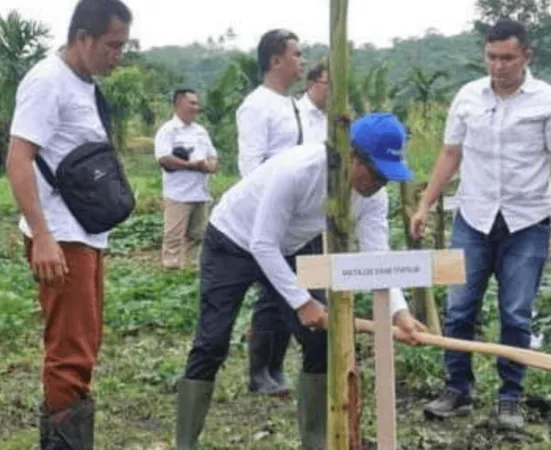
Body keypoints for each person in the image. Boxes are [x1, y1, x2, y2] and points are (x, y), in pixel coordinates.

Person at [175, 112, 428, 450]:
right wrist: (303, 302)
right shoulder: (299, 172)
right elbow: (262, 243)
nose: (379, 183)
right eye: (376, 173)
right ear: (352, 155)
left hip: (292, 245)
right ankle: (185, 443)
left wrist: (399, 313)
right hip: (233, 242)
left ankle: (316, 440)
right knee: (213, 341)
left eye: (387, 177)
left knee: (319, 341)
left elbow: (377, 261)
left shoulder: (373, 197)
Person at [409, 19, 551, 431]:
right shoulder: (468, 97)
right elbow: (451, 154)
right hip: (472, 218)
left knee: (516, 314)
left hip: (527, 222)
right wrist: (425, 203)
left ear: (526, 56)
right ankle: (458, 390)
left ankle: (509, 398)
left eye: (508, 58)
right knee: (460, 307)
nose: (499, 66)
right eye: (492, 57)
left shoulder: (548, 100)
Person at [5, 0, 132, 447]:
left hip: (86, 234)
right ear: (84, 38)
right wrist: (42, 236)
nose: (118, 55)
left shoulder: (84, 84)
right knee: (70, 353)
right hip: (61, 237)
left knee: (83, 344)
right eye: (112, 45)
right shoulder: (47, 81)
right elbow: (19, 159)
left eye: (123, 46)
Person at [234, 28, 309, 396]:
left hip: (294, 214)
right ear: (276, 60)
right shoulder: (256, 105)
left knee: (287, 292)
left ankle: (276, 366)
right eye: (296, 54)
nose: (302, 61)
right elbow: (251, 166)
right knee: (270, 294)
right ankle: (259, 371)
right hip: (268, 213)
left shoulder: (291, 104)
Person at [154, 88, 218, 270]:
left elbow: (213, 156)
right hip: (178, 194)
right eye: (192, 103)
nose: (196, 107)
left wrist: (211, 165)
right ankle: (172, 274)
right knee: (174, 236)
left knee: (199, 236)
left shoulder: (200, 131)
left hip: (200, 193)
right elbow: (164, 158)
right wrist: (192, 166)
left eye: (197, 103)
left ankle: (192, 272)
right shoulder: (168, 130)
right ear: (178, 104)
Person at [297, 62, 329, 144]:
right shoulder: (297, 113)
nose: (331, 90)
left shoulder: (329, 117)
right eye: (327, 84)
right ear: (311, 84)